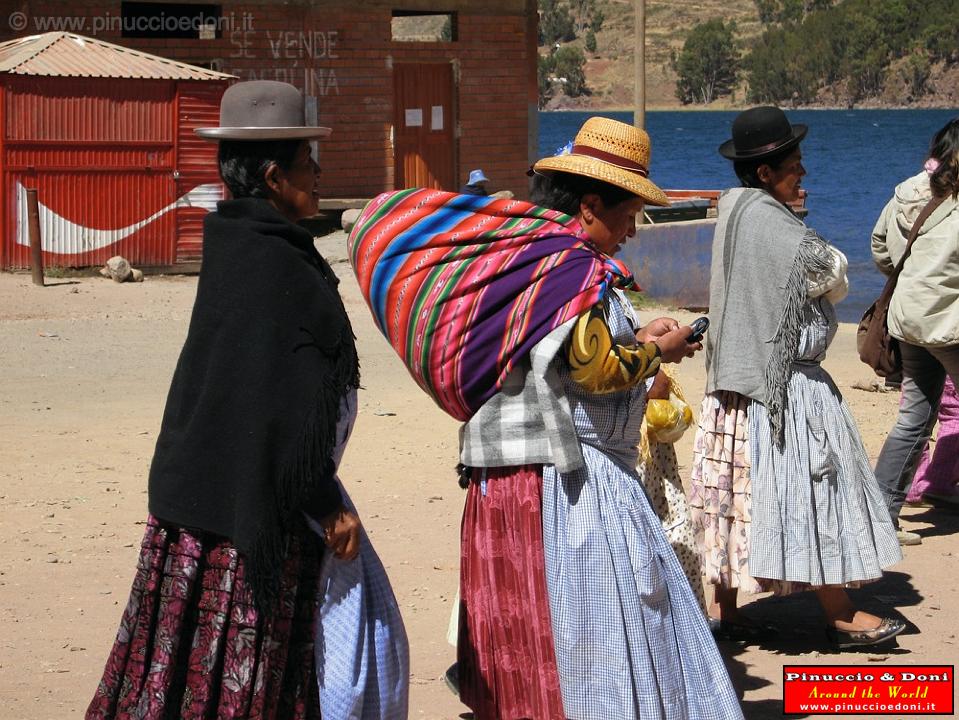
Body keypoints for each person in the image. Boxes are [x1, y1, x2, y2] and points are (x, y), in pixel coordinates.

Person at [350, 117, 743, 719]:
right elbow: (593, 370)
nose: (633, 230)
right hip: (554, 480)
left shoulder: (536, 259)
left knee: (530, 628)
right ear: (590, 205)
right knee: (588, 624)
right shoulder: (569, 266)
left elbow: (557, 351)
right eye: (629, 213)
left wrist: (636, 333)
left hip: (502, 470)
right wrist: (657, 351)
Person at [86, 81, 408, 719]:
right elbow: (276, 407)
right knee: (245, 667)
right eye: (306, 163)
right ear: (271, 174)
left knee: (177, 674)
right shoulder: (277, 267)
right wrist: (324, 503)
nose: (317, 174)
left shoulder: (237, 246)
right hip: (254, 511)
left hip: (202, 498)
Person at [690, 106, 904, 649]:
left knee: (734, 492)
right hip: (782, 388)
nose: (803, 173)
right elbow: (831, 271)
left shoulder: (734, 209)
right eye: (795, 164)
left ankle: (728, 612)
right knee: (816, 487)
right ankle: (838, 613)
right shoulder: (775, 225)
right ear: (765, 171)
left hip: (735, 380)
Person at [872, 118, 959, 544]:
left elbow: (878, 247)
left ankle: (880, 516)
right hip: (948, 323)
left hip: (908, 319)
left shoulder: (908, 190)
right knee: (917, 416)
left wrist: (912, 277)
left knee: (914, 416)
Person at [906, 378, 959, 507]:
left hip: (913, 364)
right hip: (950, 363)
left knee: (915, 417)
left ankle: (911, 487)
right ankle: (938, 484)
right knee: (954, 414)